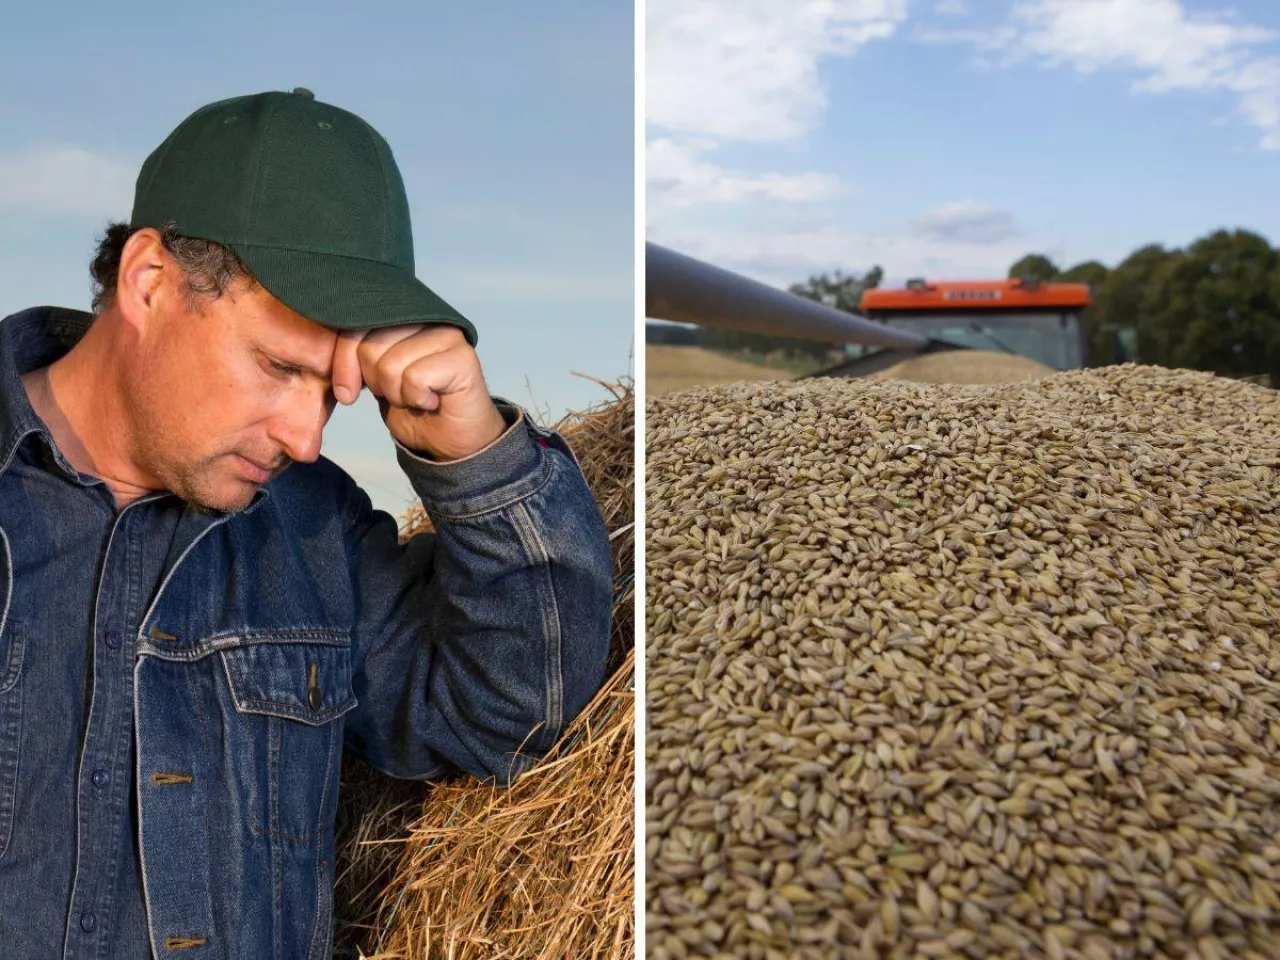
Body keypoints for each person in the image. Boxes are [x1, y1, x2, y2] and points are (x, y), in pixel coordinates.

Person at [0, 88, 612, 959]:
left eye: (330, 390)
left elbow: (510, 715)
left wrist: (471, 456)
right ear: (149, 282)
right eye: (278, 366)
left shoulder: (313, 530)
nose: (305, 435)